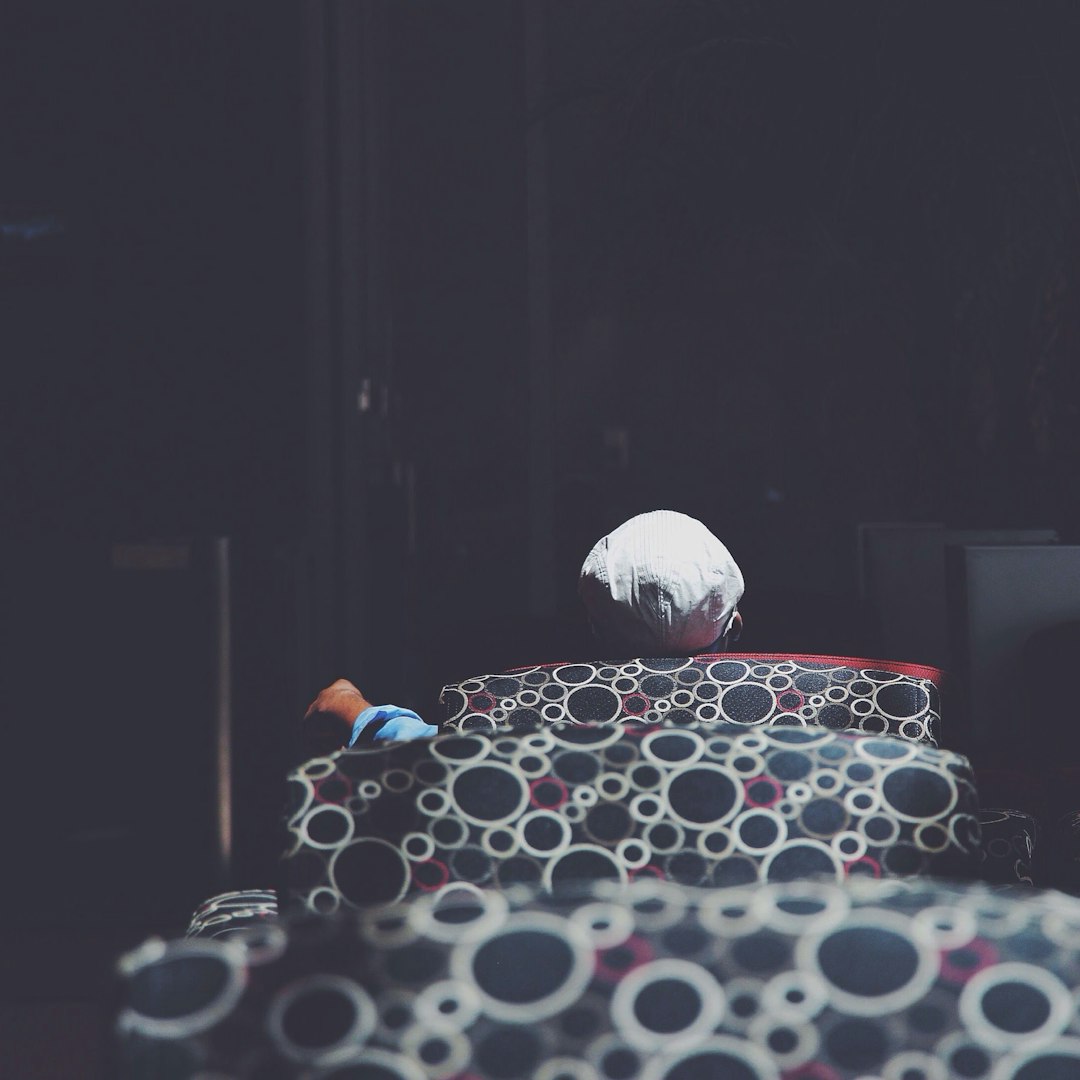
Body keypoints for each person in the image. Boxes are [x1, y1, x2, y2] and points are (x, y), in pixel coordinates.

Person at [302, 510, 744, 750]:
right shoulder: (798, 718)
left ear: (591, 628)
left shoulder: (505, 722)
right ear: (735, 628)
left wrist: (351, 706)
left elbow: (412, 747)